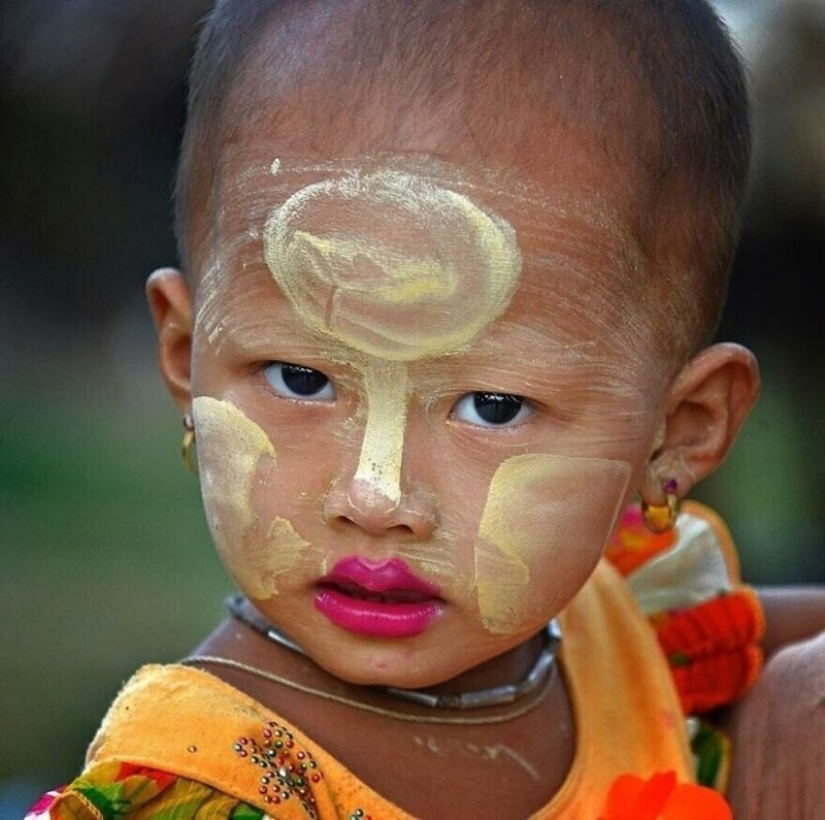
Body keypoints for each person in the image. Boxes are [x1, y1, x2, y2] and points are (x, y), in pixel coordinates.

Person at [25, 1, 825, 818]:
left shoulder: (625, 638)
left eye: (492, 405)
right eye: (301, 380)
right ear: (185, 360)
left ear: (677, 433)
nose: (375, 497)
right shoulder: (204, 788)